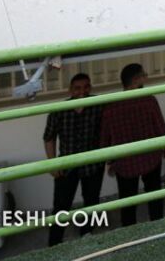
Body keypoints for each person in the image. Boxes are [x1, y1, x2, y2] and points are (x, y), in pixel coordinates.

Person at [99, 64, 165, 228]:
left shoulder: (111, 106)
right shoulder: (148, 100)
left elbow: (105, 136)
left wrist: (109, 161)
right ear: (136, 79)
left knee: (128, 202)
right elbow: (159, 126)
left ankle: (130, 234)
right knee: (154, 196)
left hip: (125, 163)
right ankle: (158, 228)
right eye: (143, 75)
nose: (146, 78)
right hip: (150, 158)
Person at [44, 73, 103, 246]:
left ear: (90, 88)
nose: (82, 91)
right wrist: (52, 164)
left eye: (86, 87)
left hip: (92, 165)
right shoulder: (59, 110)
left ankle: (87, 235)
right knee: (61, 206)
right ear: (70, 90)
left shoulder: (98, 105)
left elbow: (109, 128)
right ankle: (54, 244)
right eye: (77, 88)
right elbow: (49, 137)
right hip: (67, 166)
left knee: (91, 202)